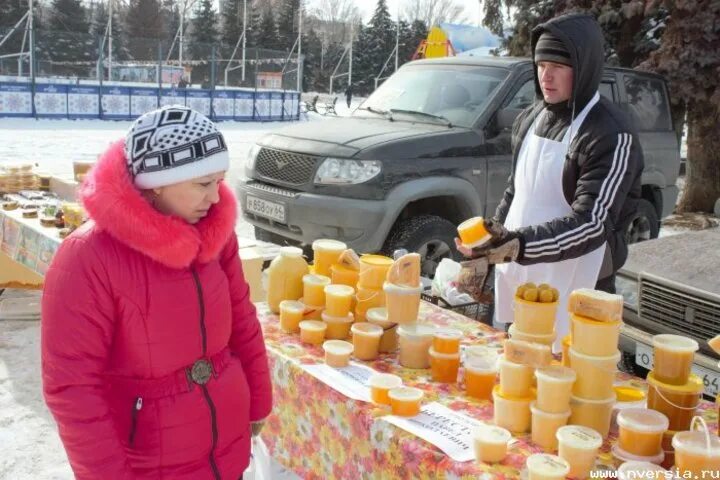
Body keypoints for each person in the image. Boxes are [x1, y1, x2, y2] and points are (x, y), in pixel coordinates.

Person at [41, 105, 273, 479]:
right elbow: (72, 387)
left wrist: (258, 401)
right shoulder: (88, 257)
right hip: (148, 460)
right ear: (157, 181)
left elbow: (242, 320)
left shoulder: (216, 233)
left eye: (220, 181)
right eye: (202, 183)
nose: (216, 198)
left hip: (225, 442)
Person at [456, 13, 643, 350]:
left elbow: (592, 223)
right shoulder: (530, 117)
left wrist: (518, 245)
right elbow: (516, 192)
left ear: (584, 67)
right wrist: (490, 241)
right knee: (511, 372)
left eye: (558, 65)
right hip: (519, 277)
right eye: (541, 64)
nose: (546, 75)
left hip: (578, 283)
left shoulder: (610, 132)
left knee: (564, 381)